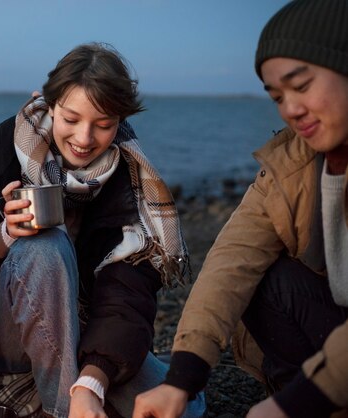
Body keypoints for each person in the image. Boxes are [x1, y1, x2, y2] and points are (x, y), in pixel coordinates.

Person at [0, 43, 205, 418]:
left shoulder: (130, 176)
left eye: (104, 124)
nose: (84, 138)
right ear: (49, 103)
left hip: (89, 327)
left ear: (121, 121)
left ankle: (69, 393)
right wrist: (3, 236)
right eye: (71, 118)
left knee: (185, 408)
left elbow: (127, 291)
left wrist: (92, 382)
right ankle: (61, 408)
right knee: (43, 243)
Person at [133, 1, 348, 417]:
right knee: (264, 275)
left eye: (301, 86)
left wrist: (291, 406)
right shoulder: (294, 162)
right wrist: (181, 379)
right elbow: (231, 261)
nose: (291, 109)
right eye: (278, 96)